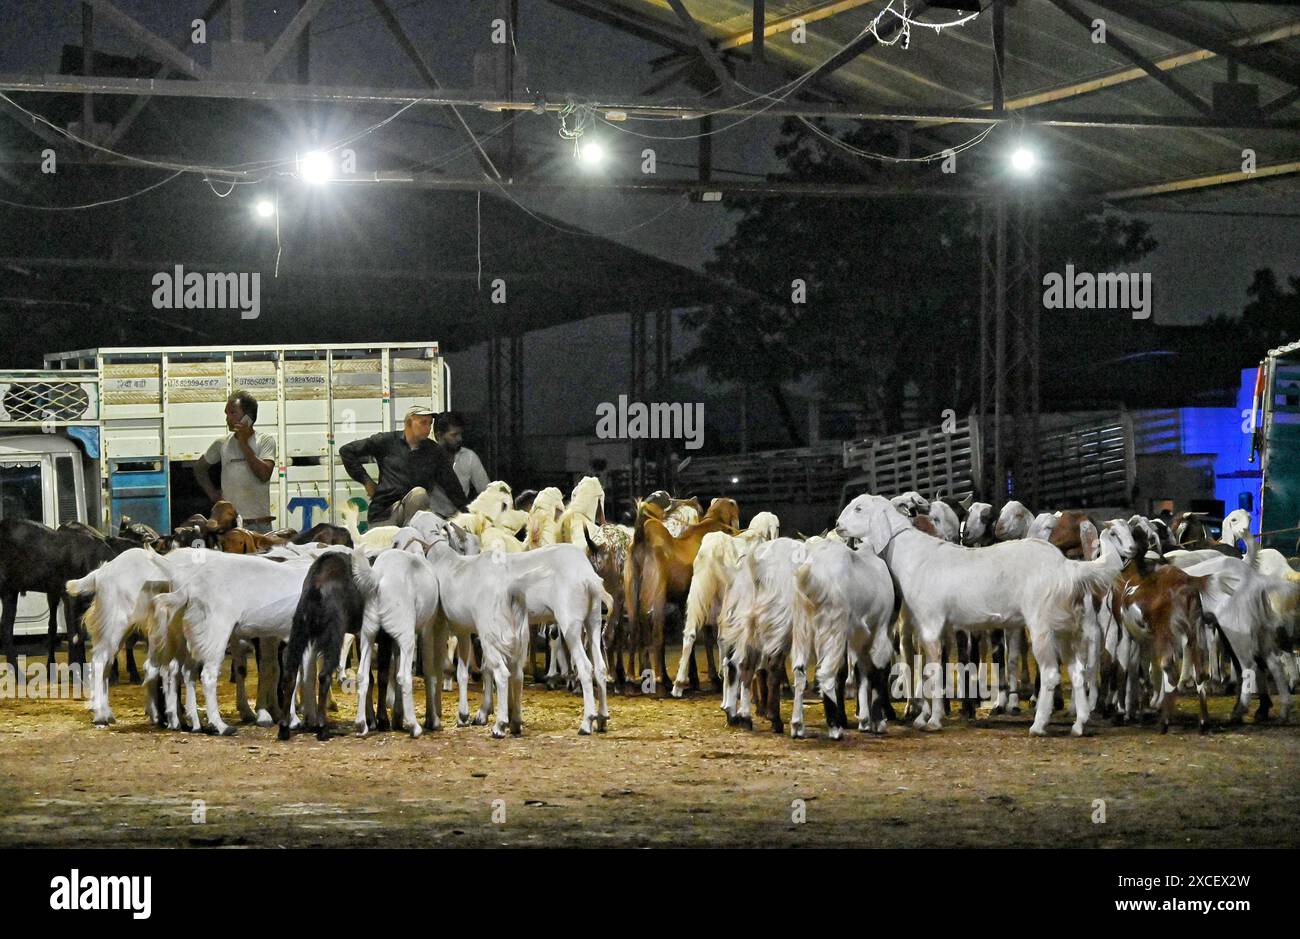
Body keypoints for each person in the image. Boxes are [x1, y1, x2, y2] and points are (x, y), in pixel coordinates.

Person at [339, 404, 468, 525]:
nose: (428, 428)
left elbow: (452, 486)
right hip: (384, 512)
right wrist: (366, 481)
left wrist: (469, 515)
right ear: (408, 423)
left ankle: (410, 536)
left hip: (414, 514)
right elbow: (347, 451)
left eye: (430, 424)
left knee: (419, 495)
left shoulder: (434, 451)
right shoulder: (386, 441)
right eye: (423, 423)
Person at [192, 391, 277, 533]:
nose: (227, 418)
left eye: (232, 413)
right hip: (231, 524)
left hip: (259, 525)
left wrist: (243, 443)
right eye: (226, 414)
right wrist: (213, 494)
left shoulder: (265, 441)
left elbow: (264, 474)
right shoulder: (222, 443)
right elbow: (199, 468)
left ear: (248, 417)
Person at [433, 410, 490, 504]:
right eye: (454, 435)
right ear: (439, 436)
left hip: (460, 514)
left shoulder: (469, 457)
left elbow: (486, 491)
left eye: (460, 434)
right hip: (432, 515)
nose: (460, 439)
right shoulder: (427, 458)